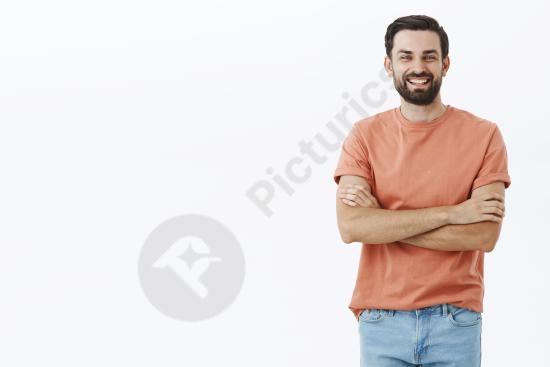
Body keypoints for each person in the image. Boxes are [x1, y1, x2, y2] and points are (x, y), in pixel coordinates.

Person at [333, 15, 511, 367]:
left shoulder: (484, 135)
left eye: (429, 56)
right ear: (389, 64)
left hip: (455, 322)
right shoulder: (363, 136)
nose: (418, 67)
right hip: (382, 320)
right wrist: (454, 213)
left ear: (445, 63)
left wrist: (383, 221)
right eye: (406, 56)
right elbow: (352, 227)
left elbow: (484, 234)